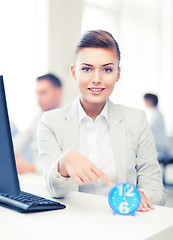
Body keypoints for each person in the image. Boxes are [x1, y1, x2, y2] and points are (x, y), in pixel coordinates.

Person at [38, 30, 166, 212]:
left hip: (125, 225)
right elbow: (54, 190)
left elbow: (156, 192)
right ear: (74, 73)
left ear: (118, 74)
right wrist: (63, 164)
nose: (97, 79)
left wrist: (140, 196)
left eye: (107, 69)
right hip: (73, 225)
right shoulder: (51, 122)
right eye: (87, 69)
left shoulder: (136, 120)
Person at [14, 73, 62, 174]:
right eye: (37, 94)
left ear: (58, 93)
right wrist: (10, 155)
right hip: (36, 179)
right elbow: (16, 144)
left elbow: (63, 166)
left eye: (43, 93)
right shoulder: (37, 119)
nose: (38, 99)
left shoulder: (69, 120)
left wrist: (29, 168)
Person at [143, 93, 170, 162]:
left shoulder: (157, 115)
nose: (144, 103)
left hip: (160, 149)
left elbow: (146, 129)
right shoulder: (153, 113)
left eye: (145, 100)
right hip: (157, 147)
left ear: (150, 101)